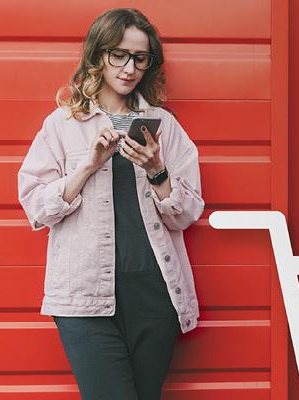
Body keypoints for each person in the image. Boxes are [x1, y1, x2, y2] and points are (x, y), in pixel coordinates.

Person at [13, 7, 207, 400]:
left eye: (140, 57)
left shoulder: (164, 126)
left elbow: (187, 213)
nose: (128, 67)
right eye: (118, 54)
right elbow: (35, 206)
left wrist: (156, 170)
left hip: (155, 295)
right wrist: (87, 167)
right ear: (98, 56)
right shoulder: (62, 125)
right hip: (84, 298)